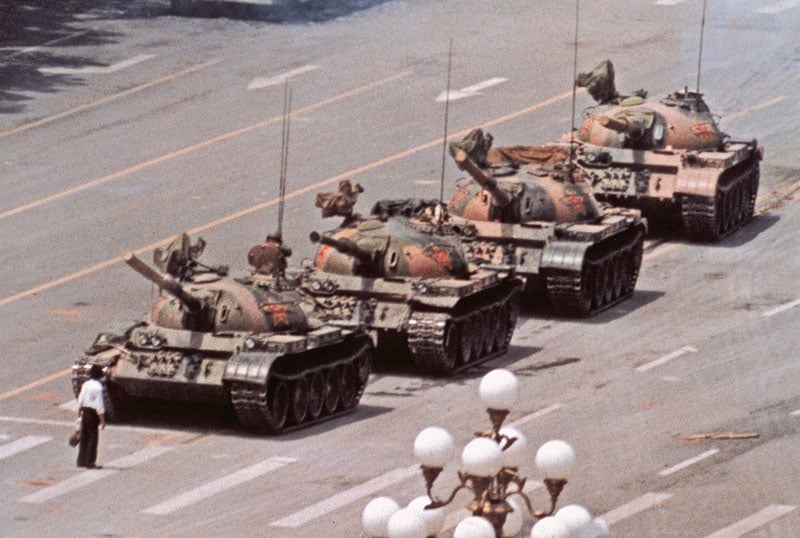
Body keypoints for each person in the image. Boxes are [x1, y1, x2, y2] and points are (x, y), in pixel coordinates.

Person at [76, 364, 106, 469]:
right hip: (93, 414)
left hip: (85, 412)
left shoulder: (86, 384)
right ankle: (90, 462)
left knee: (84, 436)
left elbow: (80, 399)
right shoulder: (98, 387)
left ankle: (81, 461)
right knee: (93, 438)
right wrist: (102, 420)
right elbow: (99, 405)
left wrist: (79, 412)